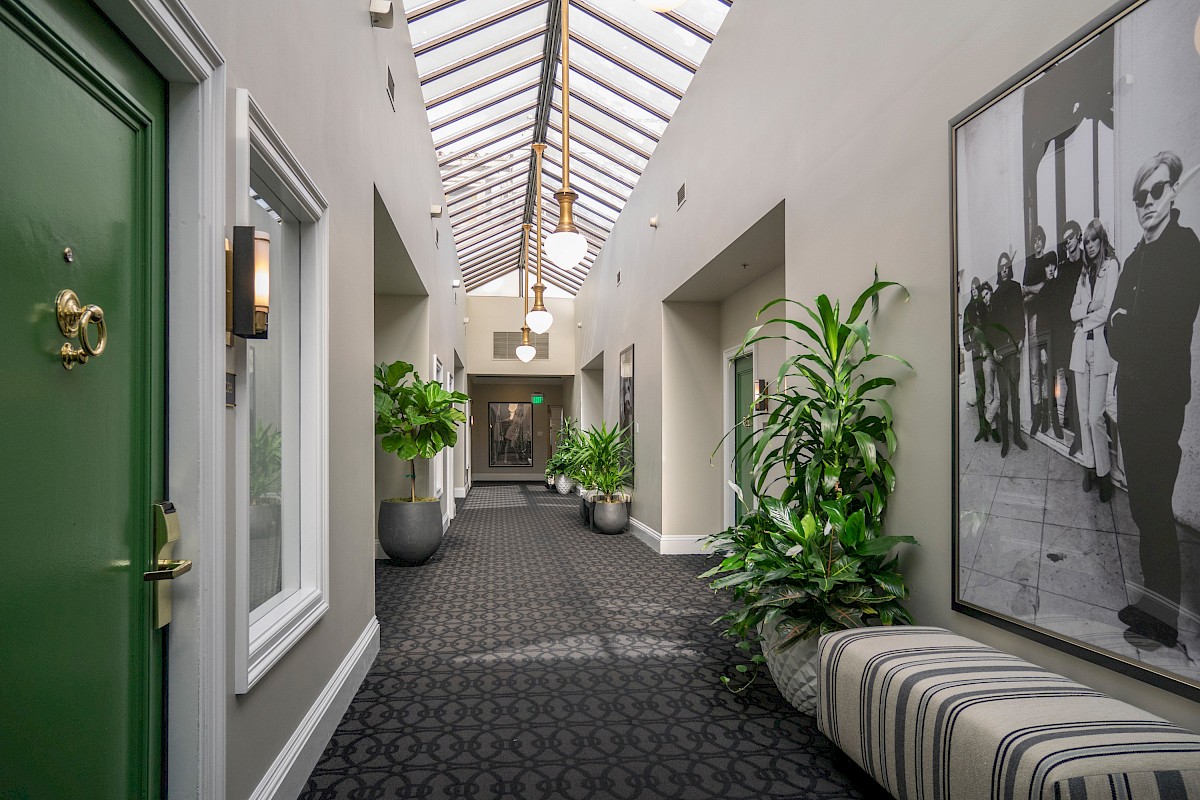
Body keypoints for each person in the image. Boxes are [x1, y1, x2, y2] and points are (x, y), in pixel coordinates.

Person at [1107, 151, 1200, 648]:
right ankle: (1151, 603)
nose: (1147, 202)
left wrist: (1127, 326)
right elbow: (1111, 332)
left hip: (1161, 400)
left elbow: (1167, 330)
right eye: (1140, 196)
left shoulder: (1186, 249)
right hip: (1131, 395)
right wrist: (1125, 327)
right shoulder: (1135, 258)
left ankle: (1165, 620)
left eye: (1156, 191)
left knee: (1156, 504)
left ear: (1173, 191)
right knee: (1141, 503)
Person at [1069, 219, 1118, 503]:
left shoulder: (1111, 267)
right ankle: (1089, 467)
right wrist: (1089, 307)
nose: (1089, 246)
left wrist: (1084, 321)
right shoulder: (1083, 273)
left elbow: (1108, 310)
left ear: (1101, 240)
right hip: (1080, 350)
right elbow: (1072, 311)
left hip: (1099, 349)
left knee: (1095, 417)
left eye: (1093, 240)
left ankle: (1105, 474)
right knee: (1083, 414)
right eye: (1086, 242)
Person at [1023, 225, 1059, 436]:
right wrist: (1032, 291)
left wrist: (1032, 290)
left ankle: (1047, 416)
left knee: (1047, 370)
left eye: (1039, 239)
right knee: (1034, 370)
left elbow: (1046, 287)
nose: (1037, 243)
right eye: (1034, 239)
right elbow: (1024, 295)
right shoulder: (1029, 264)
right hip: (1031, 320)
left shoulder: (1047, 261)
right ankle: (1037, 415)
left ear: (1043, 240)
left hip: (1045, 320)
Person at [992, 252, 1027, 457]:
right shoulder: (995, 295)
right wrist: (994, 350)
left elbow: (1019, 315)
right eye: (1001, 267)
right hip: (1000, 352)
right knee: (1003, 396)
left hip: (1014, 348)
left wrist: (1021, 338)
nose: (1004, 270)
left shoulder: (1015, 288)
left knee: (1015, 394)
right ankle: (1005, 441)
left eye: (1007, 266)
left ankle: (1017, 437)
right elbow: (992, 326)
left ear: (1010, 269)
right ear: (998, 271)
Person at [963, 277, 992, 441]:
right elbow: (965, 330)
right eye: (972, 288)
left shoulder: (984, 306)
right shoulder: (968, 308)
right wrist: (969, 345)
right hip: (975, 353)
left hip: (987, 349)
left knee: (989, 387)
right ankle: (982, 427)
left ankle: (990, 423)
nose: (974, 291)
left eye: (976, 288)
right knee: (979, 388)